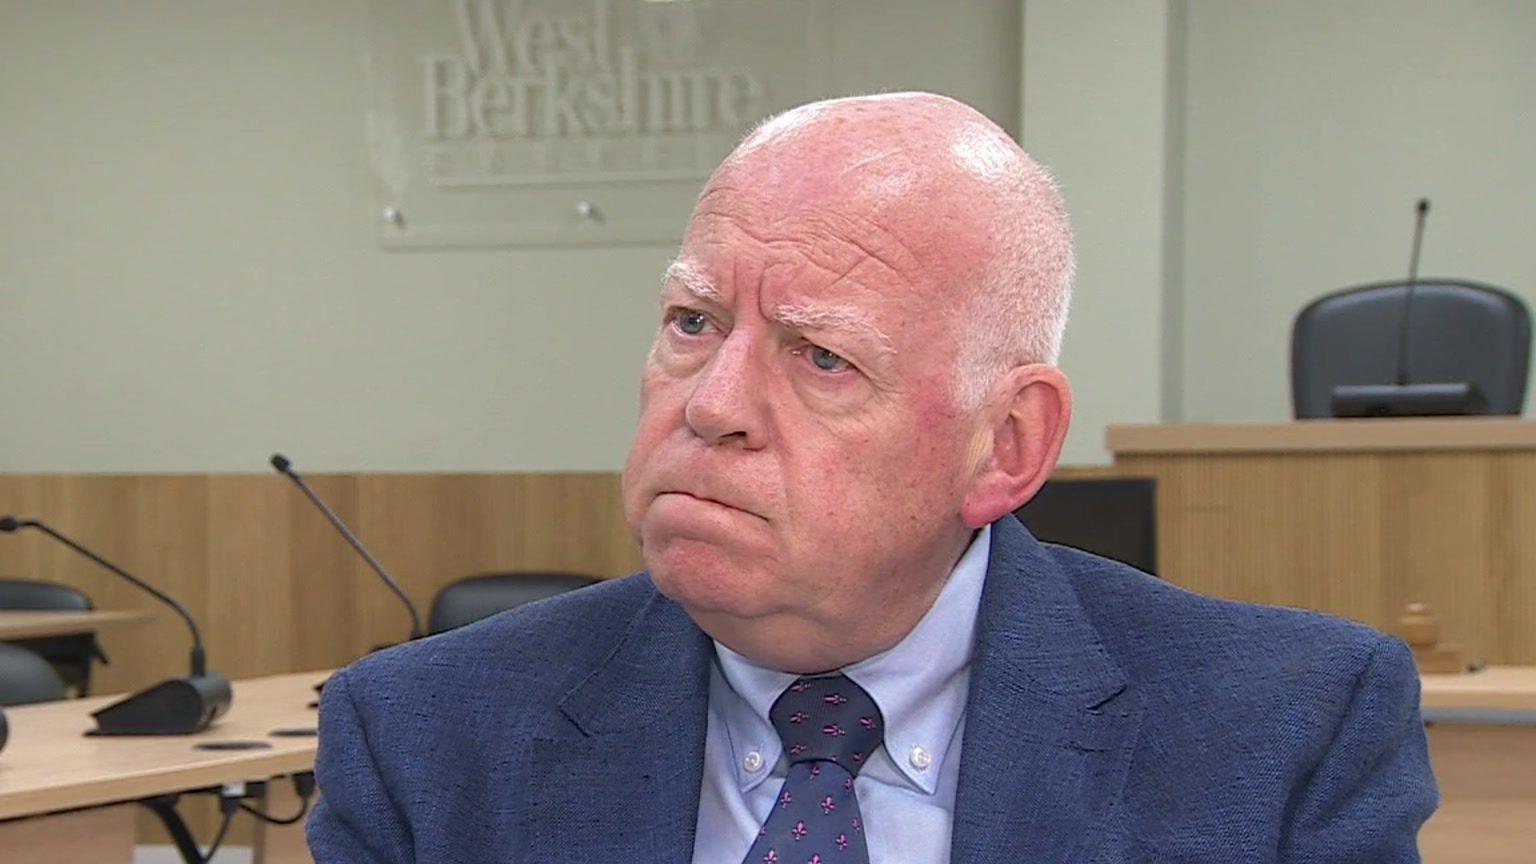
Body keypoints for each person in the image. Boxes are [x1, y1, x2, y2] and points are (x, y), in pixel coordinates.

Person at [307, 92, 1437, 863]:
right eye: (693, 322)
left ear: (1008, 446)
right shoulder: (423, 738)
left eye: (822, 356)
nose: (710, 405)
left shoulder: (1286, 733)